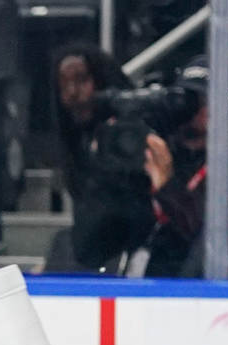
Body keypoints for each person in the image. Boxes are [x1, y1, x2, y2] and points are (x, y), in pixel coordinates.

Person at [44, 45, 151, 272]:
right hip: (93, 251)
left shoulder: (135, 132)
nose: (72, 92)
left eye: (82, 80)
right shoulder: (74, 143)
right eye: (64, 84)